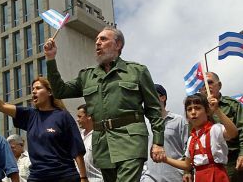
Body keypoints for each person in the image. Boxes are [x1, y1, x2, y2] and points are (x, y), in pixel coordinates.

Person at [44, 26, 165, 182]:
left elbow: (153, 109)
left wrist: (158, 142)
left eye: (103, 39)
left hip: (131, 142)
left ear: (118, 44)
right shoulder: (87, 76)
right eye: (96, 40)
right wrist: (50, 59)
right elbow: (60, 91)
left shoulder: (137, 71)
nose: (97, 43)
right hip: (103, 144)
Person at [0, 77, 88, 182]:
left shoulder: (63, 116)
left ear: (49, 92)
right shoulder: (29, 115)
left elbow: (77, 149)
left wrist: (83, 177)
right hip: (37, 177)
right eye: (32, 89)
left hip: (64, 175)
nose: (33, 91)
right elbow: (1, 106)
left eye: (38, 88)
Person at [163, 93, 238, 182]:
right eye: (189, 109)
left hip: (217, 176)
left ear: (207, 111)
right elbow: (187, 165)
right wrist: (165, 159)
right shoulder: (192, 139)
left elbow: (233, 133)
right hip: (199, 177)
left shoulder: (215, 129)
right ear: (187, 116)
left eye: (197, 108)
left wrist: (217, 110)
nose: (193, 112)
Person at [199, 72, 243, 181]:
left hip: (233, 162)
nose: (206, 86)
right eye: (203, 84)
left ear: (219, 85)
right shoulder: (197, 111)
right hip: (208, 166)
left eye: (209, 82)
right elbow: (191, 139)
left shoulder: (232, 105)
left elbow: (242, 130)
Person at [140, 84, 189, 182]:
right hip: (149, 177)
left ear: (163, 97)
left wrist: (187, 172)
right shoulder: (144, 123)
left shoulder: (179, 121)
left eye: (152, 95)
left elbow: (188, 149)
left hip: (175, 177)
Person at [76, 104, 104, 182]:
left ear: (89, 117)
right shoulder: (79, 136)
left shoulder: (100, 136)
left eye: (79, 116)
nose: (77, 120)